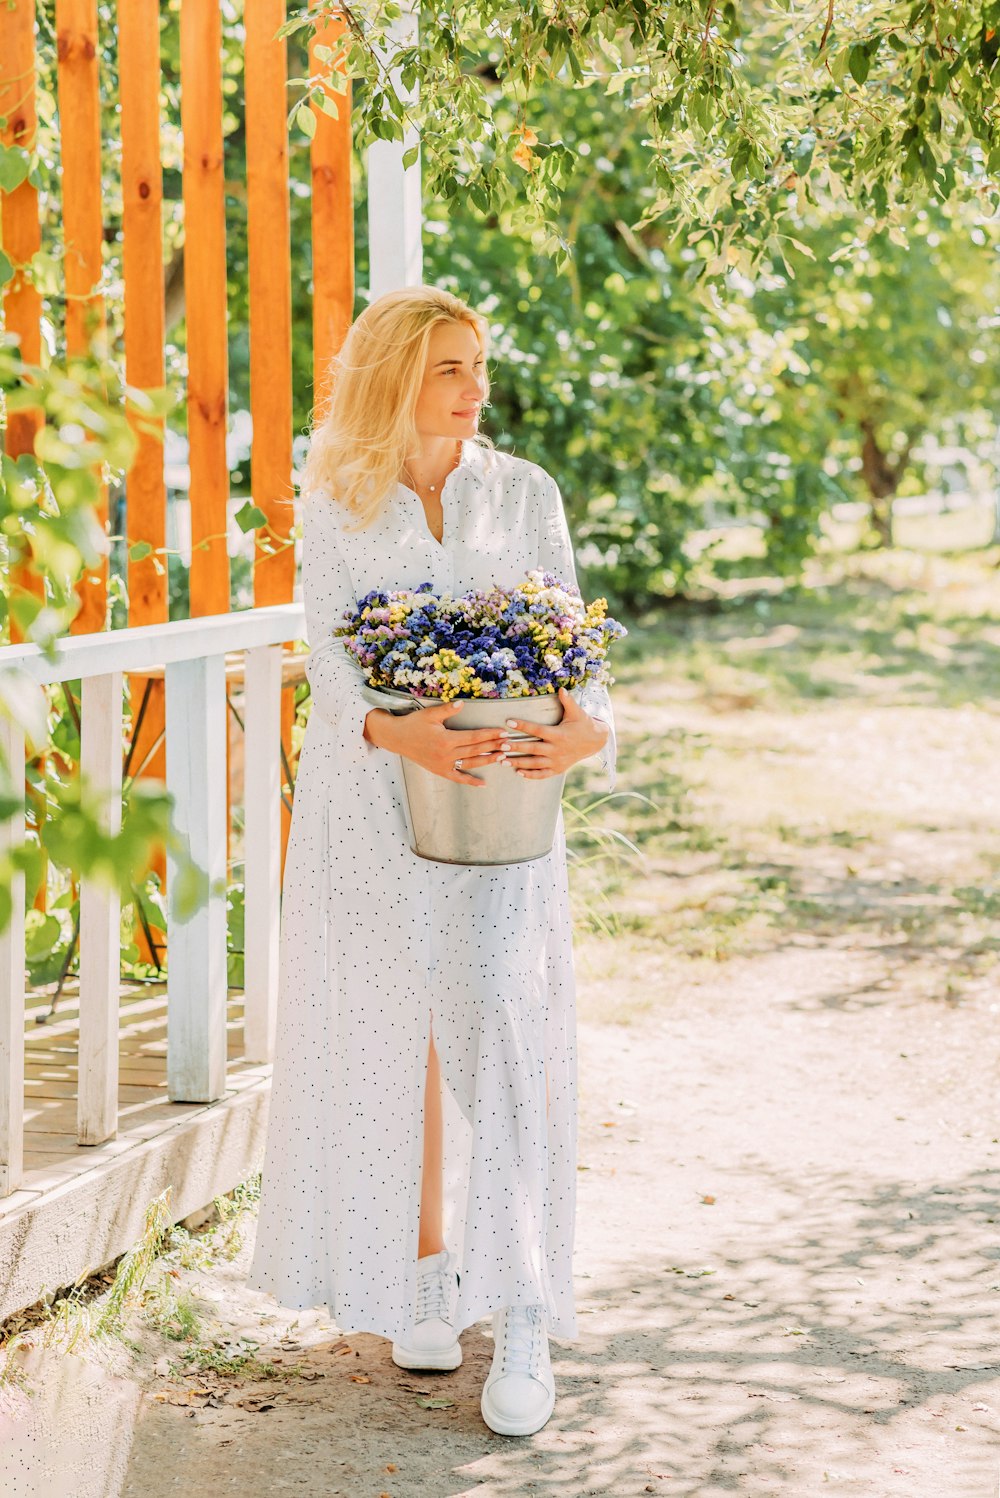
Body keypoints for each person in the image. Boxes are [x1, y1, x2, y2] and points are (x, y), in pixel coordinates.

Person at [246, 284, 617, 1438]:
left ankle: (518, 1312)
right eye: (453, 366)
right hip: (370, 807)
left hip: (503, 816)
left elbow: (574, 648)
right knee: (388, 1038)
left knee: (501, 1034)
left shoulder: (523, 491)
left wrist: (585, 726)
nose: (477, 389)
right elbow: (329, 652)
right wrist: (392, 727)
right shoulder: (336, 496)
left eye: (479, 364)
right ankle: (419, 1278)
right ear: (397, 374)